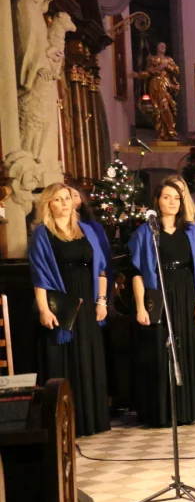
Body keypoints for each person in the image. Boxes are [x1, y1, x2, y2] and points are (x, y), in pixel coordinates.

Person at [128, 179, 195, 427]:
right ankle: (162, 411)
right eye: (167, 197)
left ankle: (189, 409)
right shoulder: (145, 233)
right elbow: (137, 272)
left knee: (187, 348)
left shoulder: (192, 230)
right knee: (158, 349)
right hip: (159, 293)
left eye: (176, 197)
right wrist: (141, 306)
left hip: (187, 293)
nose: (173, 202)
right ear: (157, 201)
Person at [29, 183, 110, 436]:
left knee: (88, 358)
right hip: (61, 304)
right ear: (48, 205)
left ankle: (91, 420)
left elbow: (101, 269)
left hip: (87, 302)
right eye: (57, 199)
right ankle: (67, 423)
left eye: (67, 198)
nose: (64, 203)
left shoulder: (86, 230)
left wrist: (102, 301)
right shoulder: (42, 234)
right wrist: (44, 309)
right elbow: (39, 276)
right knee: (65, 361)